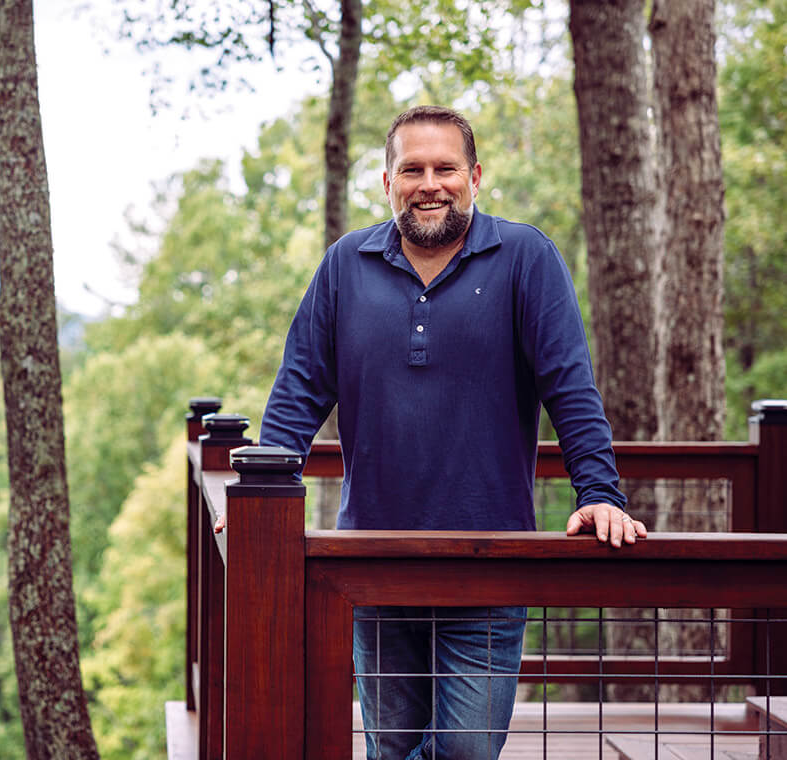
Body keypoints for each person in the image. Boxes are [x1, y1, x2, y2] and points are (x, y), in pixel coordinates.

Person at [254, 106, 647, 759]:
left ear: (475, 176)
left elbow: (570, 387)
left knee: (466, 750)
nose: (429, 184)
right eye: (413, 170)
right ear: (388, 182)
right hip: (371, 565)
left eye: (446, 168)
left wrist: (600, 492)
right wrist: (261, 496)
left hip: (488, 564)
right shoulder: (345, 264)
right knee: (391, 747)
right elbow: (300, 387)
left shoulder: (525, 257)